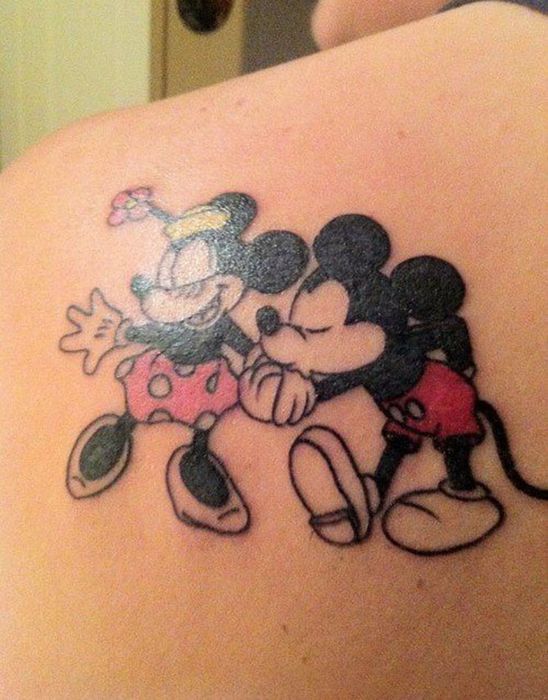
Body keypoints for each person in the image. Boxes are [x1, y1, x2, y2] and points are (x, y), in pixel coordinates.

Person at [0, 1, 546, 697]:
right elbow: (318, 364)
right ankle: (373, 495)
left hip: (430, 404)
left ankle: (454, 491)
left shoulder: (41, 195)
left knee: (428, 443)